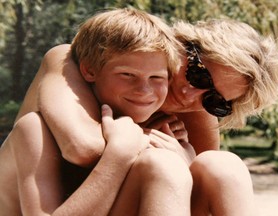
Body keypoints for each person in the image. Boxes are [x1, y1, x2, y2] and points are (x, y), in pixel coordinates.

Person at [1, 8, 278, 215]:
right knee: (163, 164)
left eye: (216, 101)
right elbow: (82, 148)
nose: (190, 95)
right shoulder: (70, 60)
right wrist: (143, 139)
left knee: (224, 166)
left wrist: (185, 158)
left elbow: (195, 186)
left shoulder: (197, 108)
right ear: (183, 46)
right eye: (198, 74)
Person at [0, 8, 193, 216]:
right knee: (164, 166)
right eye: (127, 74)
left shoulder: (153, 130)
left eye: (156, 78)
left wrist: (186, 157)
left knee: (218, 166)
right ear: (89, 71)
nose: (144, 90)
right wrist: (119, 154)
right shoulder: (35, 129)